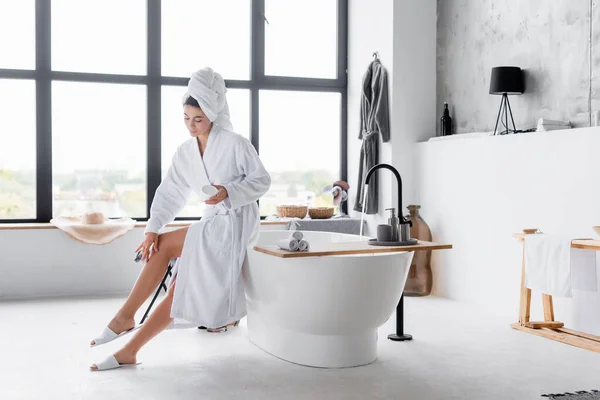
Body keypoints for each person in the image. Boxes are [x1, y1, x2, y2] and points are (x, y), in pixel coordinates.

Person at [89, 67, 272, 371]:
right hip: (212, 223)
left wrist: (229, 191)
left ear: (212, 114)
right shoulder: (185, 152)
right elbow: (170, 192)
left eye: (198, 119)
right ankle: (127, 333)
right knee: (162, 252)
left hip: (235, 225)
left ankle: (127, 331)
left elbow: (261, 181)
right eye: (186, 118)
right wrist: (151, 229)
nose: (191, 126)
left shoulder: (236, 143)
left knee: (176, 271)